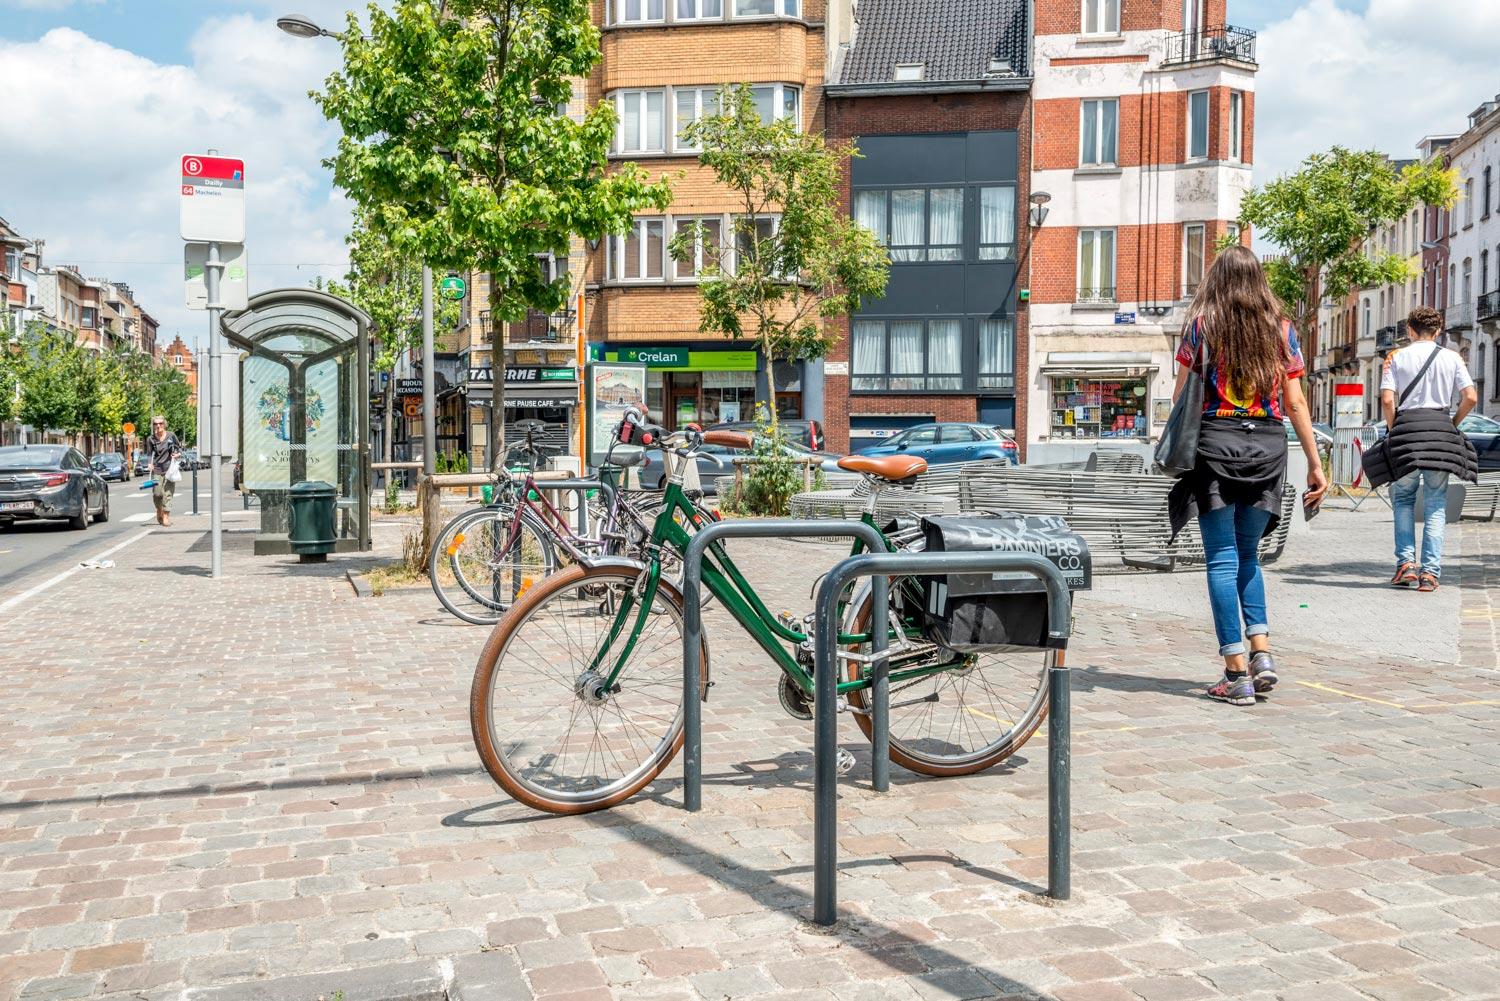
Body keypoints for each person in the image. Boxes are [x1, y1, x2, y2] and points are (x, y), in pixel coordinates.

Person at [1168, 245, 1327, 707]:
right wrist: (1315, 463)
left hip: (1215, 445)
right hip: (1268, 448)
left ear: (1216, 280)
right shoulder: (1282, 330)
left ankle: (1235, 672)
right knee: (1248, 555)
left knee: (1220, 559)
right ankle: (1262, 652)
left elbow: (1182, 399)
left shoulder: (1203, 327)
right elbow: (1296, 402)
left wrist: (1170, 444)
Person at [1380, 306, 1478, 592]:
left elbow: (1388, 400)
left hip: (1407, 431)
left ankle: (1405, 565)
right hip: (1439, 431)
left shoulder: (1396, 357)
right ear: (1438, 331)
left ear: (1410, 330)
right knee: (1435, 503)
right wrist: (1453, 423)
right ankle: (1430, 574)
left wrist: (1392, 428)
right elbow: (1470, 396)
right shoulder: (1452, 358)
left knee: (1403, 499)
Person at [146, 415, 183, 527]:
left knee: (167, 494)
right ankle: (159, 510)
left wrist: (178, 454)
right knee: (157, 494)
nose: (158, 426)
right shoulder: (151, 439)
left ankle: (166, 517)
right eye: (156, 424)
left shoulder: (171, 436)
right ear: (153, 426)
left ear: (164, 424)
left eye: (160, 423)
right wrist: (149, 463)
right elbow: (149, 453)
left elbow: (179, 448)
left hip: (170, 469)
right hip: (157, 469)